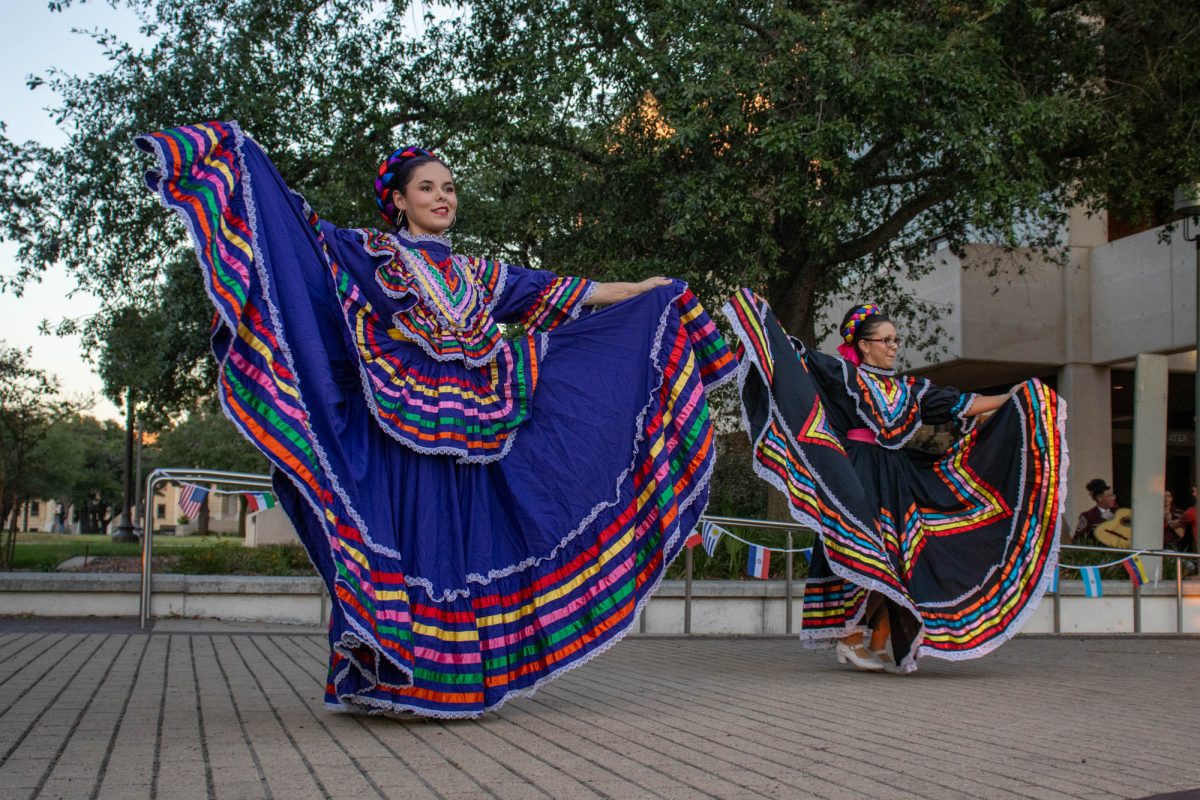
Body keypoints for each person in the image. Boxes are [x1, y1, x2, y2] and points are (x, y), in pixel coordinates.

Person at [136, 122, 736, 717]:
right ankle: (390, 678)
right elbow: (298, 237)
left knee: (464, 549)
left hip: (473, 436)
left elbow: (561, 291)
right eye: (427, 188)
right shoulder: (370, 254)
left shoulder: (480, 276)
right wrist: (241, 159)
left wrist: (643, 290)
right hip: (398, 429)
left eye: (449, 187)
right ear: (398, 201)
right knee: (411, 543)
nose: (443, 196)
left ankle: (449, 682)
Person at [723, 291, 1066, 673]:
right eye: (885, 340)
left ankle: (883, 639)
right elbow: (792, 360)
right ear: (863, 346)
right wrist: (761, 316)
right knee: (866, 550)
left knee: (904, 559)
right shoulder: (841, 374)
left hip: (896, 475)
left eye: (895, 340)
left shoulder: (907, 391)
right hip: (854, 473)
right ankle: (850, 636)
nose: (893, 347)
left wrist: (1011, 396)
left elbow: (960, 405)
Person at [1073, 479, 1116, 545]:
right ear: (1099, 498)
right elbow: (1078, 539)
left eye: (1113, 495)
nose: (1113, 498)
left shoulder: (1118, 512)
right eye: (1109, 496)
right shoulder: (1088, 516)